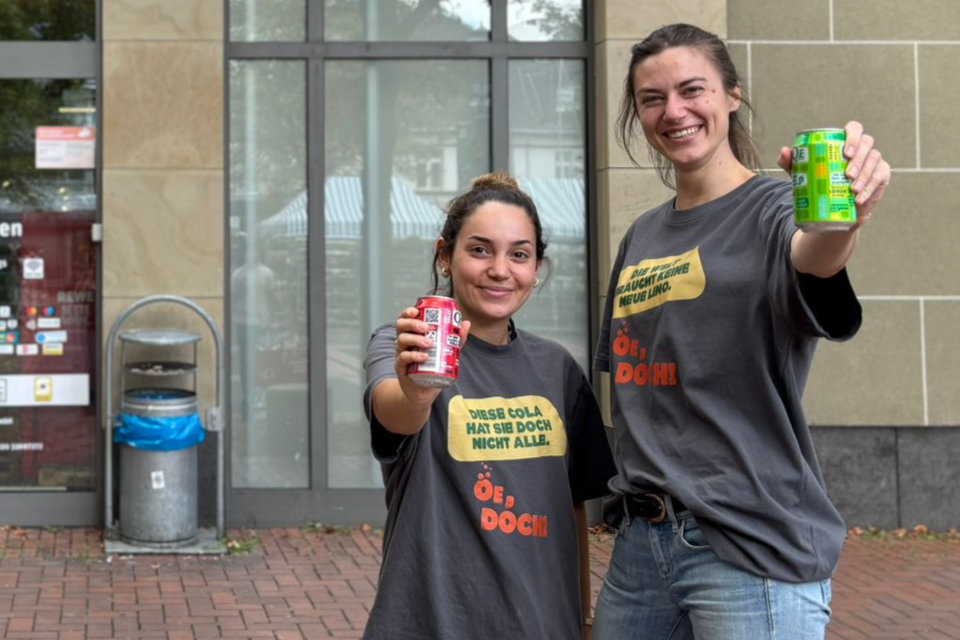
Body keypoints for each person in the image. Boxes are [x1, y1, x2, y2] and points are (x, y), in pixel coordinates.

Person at [591, 23, 891, 640]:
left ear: (731, 94)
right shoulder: (641, 236)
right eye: (652, 99)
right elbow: (627, 380)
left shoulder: (774, 210)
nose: (673, 112)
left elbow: (816, 255)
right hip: (642, 547)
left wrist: (845, 218)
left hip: (748, 548)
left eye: (692, 89)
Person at [362, 173, 616, 639]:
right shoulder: (407, 344)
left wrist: (581, 620)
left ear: (536, 267)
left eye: (519, 254)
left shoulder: (557, 369)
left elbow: (572, 511)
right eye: (480, 250)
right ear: (445, 255)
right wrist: (419, 388)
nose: (501, 270)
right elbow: (394, 412)